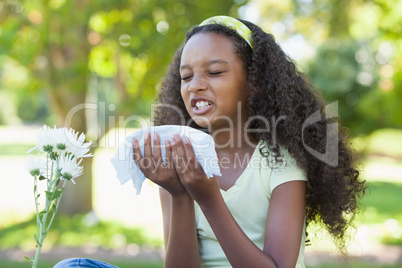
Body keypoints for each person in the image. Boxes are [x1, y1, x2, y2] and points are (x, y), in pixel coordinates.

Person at [54, 15, 366, 268]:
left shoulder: (281, 166)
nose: (195, 86)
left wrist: (208, 197)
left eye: (214, 72)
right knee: (73, 267)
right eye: (186, 76)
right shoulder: (179, 158)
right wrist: (179, 195)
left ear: (255, 82)